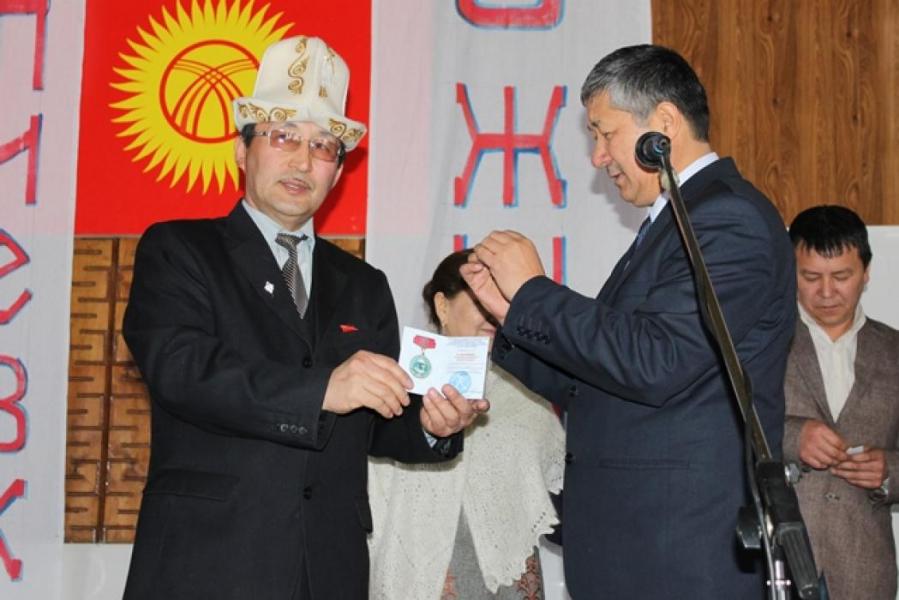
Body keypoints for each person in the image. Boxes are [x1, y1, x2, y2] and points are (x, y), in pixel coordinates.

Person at [121, 35, 487, 600]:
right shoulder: (179, 250)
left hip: (329, 567)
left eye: (323, 146)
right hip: (208, 562)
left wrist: (432, 427)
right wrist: (322, 390)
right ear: (241, 151)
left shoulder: (364, 284)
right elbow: (182, 370)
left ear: (337, 172)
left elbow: (375, 420)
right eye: (283, 136)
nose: (301, 160)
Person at [461, 44, 796, 598]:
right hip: (638, 552)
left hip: (681, 555)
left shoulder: (727, 218)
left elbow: (656, 362)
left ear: (663, 124)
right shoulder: (671, 224)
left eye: (604, 133)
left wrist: (534, 291)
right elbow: (596, 380)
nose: (597, 156)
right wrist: (508, 319)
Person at [367, 249, 566, 599]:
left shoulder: (527, 389)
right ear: (442, 306)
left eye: (500, 300)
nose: (492, 312)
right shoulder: (398, 383)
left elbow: (554, 493)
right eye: (479, 299)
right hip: (422, 577)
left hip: (509, 578)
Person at [783, 205, 899, 600]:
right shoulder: (760, 345)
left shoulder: (895, 352)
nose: (827, 292)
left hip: (864, 570)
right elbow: (722, 429)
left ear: (866, 273)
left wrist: (890, 471)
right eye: (811, 277)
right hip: (775, 565)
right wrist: (792, 437)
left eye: (842, 276)